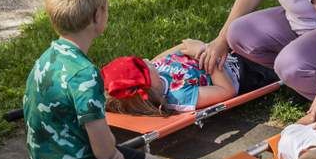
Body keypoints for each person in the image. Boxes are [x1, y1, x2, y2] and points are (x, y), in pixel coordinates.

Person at [22, 0, 181, 159]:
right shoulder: (85, 75)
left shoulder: (47, 57)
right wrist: (112, 155)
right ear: (98, 16)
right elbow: (102, 146)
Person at [102, 39, 241, 115]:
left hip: (215, 51)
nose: (145, 59)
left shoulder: (155, 74)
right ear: (148, 88)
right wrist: (205, 54)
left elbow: (162, 58)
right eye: (143, 65)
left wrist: (185, 46)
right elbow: (227, 90)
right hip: (237, 68)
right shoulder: (179, 96)